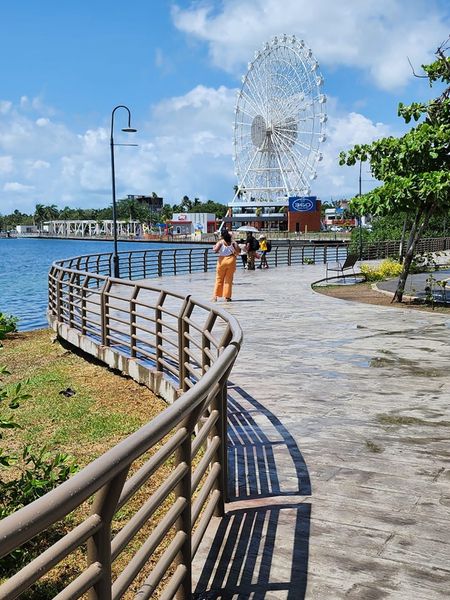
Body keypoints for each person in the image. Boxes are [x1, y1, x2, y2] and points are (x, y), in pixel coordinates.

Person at [211, 230, 240, 302]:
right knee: (229, 280)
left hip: (222, 261)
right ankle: (227, 297)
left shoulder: (220, 242)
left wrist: (213, 247)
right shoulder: (233, 242)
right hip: (231, 260)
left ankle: (215, 297)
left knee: (219, 279)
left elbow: (215, 251)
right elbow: (238, 250)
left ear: (222, 236)